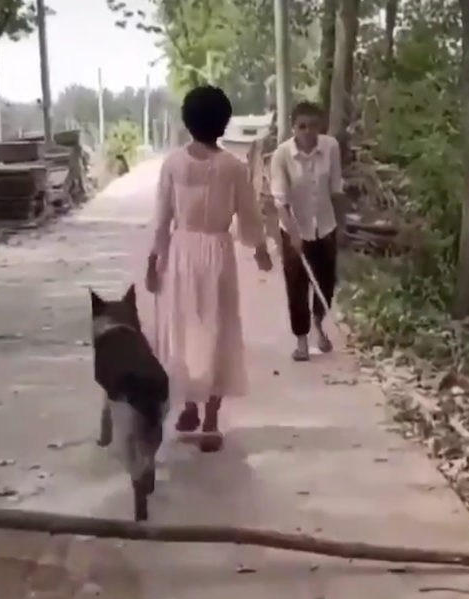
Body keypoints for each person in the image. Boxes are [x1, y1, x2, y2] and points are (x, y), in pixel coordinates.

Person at [145, 85, 274, 453]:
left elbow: (162, 218)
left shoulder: (172, 163)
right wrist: (261, 249)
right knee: (219, 328)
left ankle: (188, 405)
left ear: (187, 121)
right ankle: (212, 418)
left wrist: (155, 260)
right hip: (217, 250)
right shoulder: (233, 167)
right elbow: (250, 215)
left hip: (182, 250)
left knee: (184, 329)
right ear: (224, 123)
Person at [268, 101, 347, 362]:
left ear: (320, 126)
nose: (307, 131)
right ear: (293, 128)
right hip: (293, 227)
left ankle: (319, 325)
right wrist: (293, 235)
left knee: (324, 282)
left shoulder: (331, 147)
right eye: (302, 126)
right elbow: (281, 201)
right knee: (297, 285)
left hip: (325, 226)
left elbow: (336, 189)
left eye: (313, 125)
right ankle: (301, 340)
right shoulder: (282, 156)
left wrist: (340, 227)